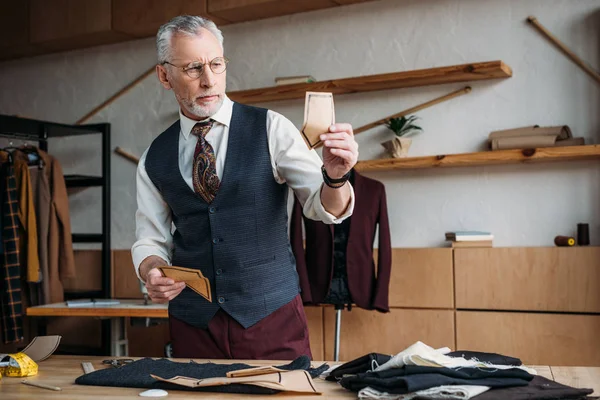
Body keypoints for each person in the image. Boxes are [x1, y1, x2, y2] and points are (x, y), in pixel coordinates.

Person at [131, 15, 359, 360]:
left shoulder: (271, 128)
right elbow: (150, 239)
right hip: (194, 326)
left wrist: (336, 176)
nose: (209, 81)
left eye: (216, 64)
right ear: (165, 75)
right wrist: (151, 271)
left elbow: (322, 206)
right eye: (193, 68)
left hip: (271, 320)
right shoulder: (153, 157)